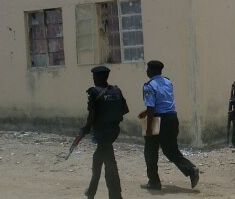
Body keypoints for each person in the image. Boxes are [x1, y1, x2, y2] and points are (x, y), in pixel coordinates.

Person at [138, 60, 200, 190]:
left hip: (158, 120)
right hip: (172, 118)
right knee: (171, 150)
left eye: (148, 69)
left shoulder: (149, 86)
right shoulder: (168, 82)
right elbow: (163, 101)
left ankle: (154, 182)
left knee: (150, 150)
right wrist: (146, 112)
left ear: (153, 71)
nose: (147, 71)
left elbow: (151, 107)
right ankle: (191, 169)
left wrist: (149, 127)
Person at [79, 65, 129, 199]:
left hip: (101, 133)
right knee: (100, 160)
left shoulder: (94, 92)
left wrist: (86, 128)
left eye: (94, 76)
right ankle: (92, 192)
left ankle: (114, 195)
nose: (93, 79)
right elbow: (125, 110)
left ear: (99, 77)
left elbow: (92, 114)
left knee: (108, 166)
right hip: (113, 131)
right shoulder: (116, 91)